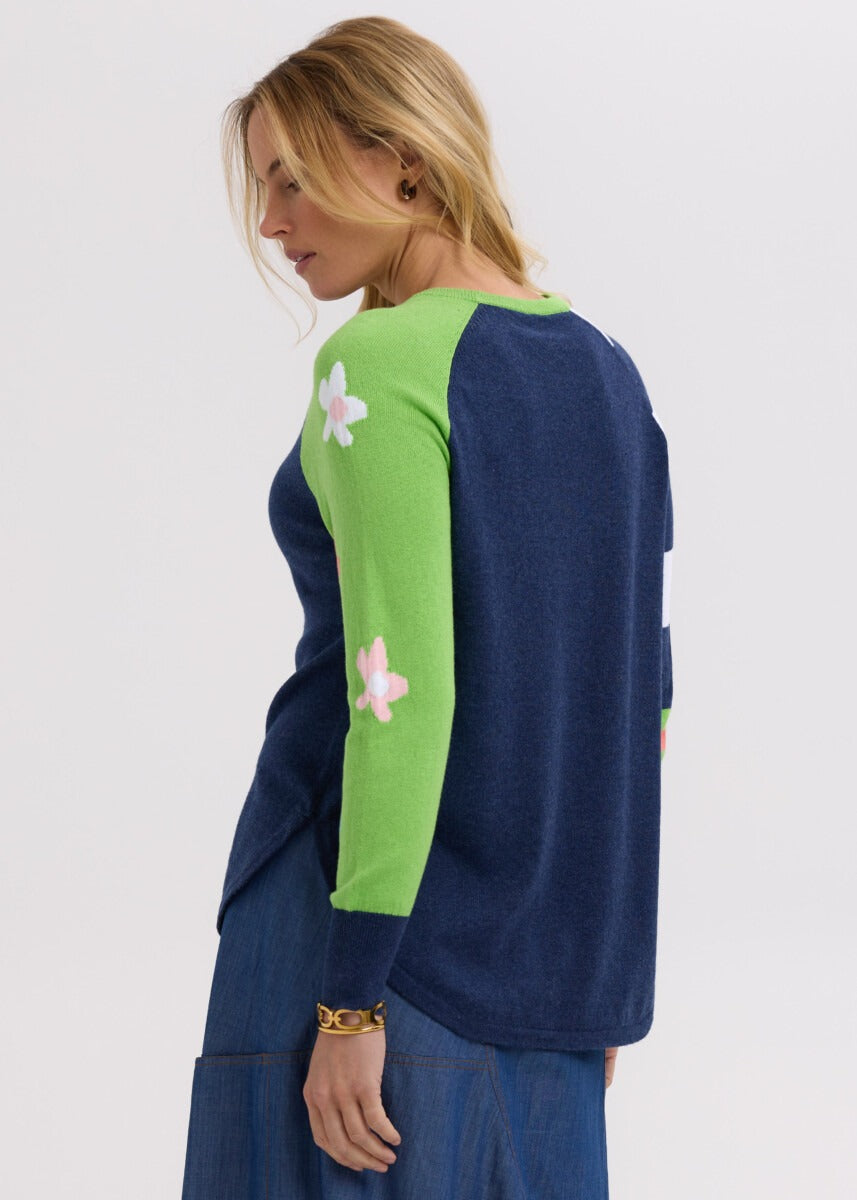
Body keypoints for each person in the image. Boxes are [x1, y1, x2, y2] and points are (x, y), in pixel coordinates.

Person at [181, 15, 673, 1199]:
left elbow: (395, 693)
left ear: (399, 160)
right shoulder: (609, 374)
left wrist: (348, 1001)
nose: (271, 222)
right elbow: (640, 701)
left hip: (354, 927)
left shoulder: (381, 364)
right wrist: (597, 978)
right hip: (549, 974)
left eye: (290, 179)